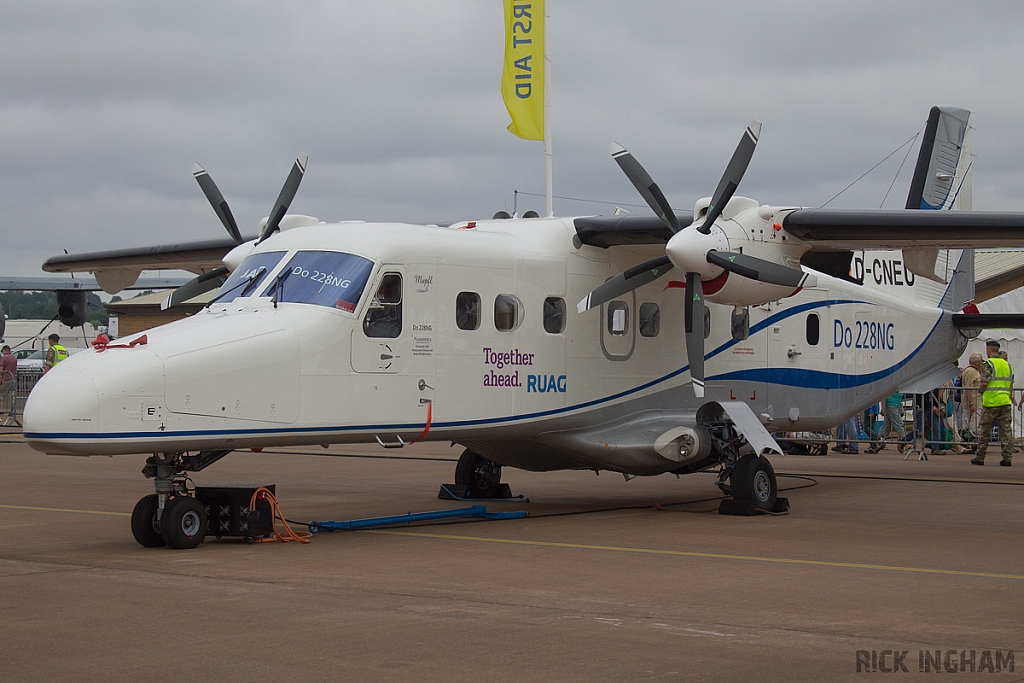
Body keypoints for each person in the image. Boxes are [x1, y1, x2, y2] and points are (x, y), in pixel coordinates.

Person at [972, 340, 1014, 466]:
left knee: (985, 430)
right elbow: (1011, 384)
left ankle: (980, 457)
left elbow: (985, 382)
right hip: (1005, 401)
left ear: (988, 350)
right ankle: (1007, 458)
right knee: (1006, 431)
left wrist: (981, 390)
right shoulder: (1007, 365)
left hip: (991, 402)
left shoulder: (988, 364)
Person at [960, 353, 983, 453]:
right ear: (977, 362)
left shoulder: (975, 371)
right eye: (981, 361)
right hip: (973, 403)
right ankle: (972, 444)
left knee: (974, 425)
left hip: (977, 402)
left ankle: (974, 445)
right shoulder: (970, 372)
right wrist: (971, 403)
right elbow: (968, 389)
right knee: (972, 425)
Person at [0, 345, 16, 418]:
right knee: (12, 396)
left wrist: (0, 377)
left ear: (4, 350)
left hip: (5, 379)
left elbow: (1, 369)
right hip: (13, 378)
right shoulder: (14, 358)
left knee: (1, 395)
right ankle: (12, 411)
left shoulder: (3, 358)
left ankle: (0, 410)